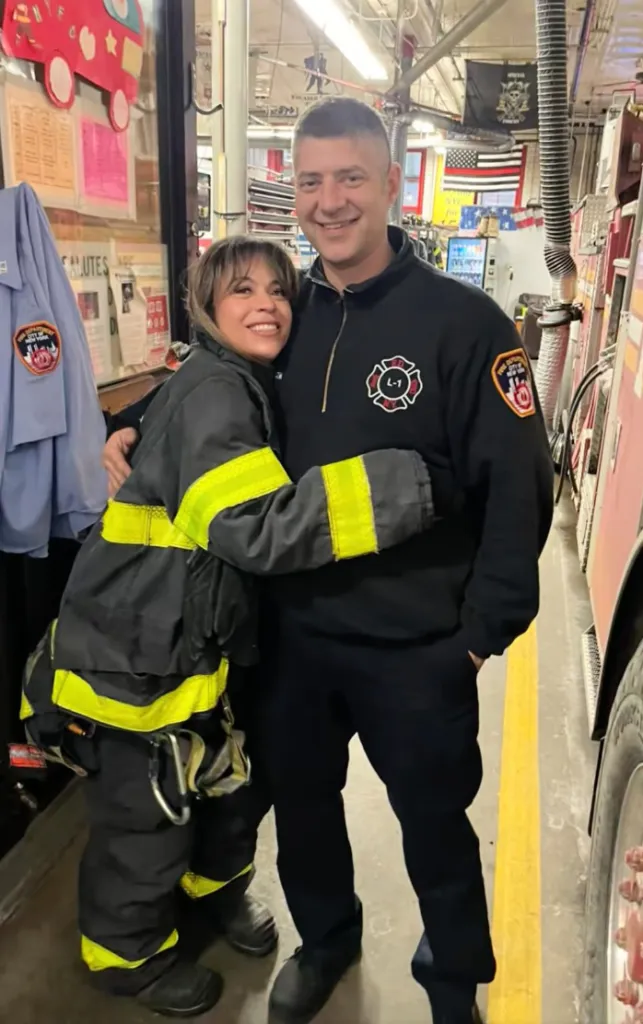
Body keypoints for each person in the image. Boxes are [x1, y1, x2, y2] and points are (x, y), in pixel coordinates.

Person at [103, 97, 554, 1024]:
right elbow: (212, 383)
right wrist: (136, 427)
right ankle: (327, 942)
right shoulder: (285, 314)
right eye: (310, 182)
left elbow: (521, 487)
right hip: (292, 640)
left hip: (418, 648)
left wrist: (480, 635)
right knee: (304, 814)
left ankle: (452, 984)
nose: (329, 200)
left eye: (350, 177)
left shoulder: (465, 324)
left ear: (390, 184)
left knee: (435, 829)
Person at [22, 235, 434, 1019]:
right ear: (207, 308)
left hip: (192, 646)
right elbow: (255, 527)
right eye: (242, 290)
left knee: (224, 789)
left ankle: (212, 895)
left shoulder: (239, 378)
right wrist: (404, 487)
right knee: (144, 818)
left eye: (278, 291)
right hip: (135, 659)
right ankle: (128, 959)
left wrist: (129, 422)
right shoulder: (218, 390)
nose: (266, 305)